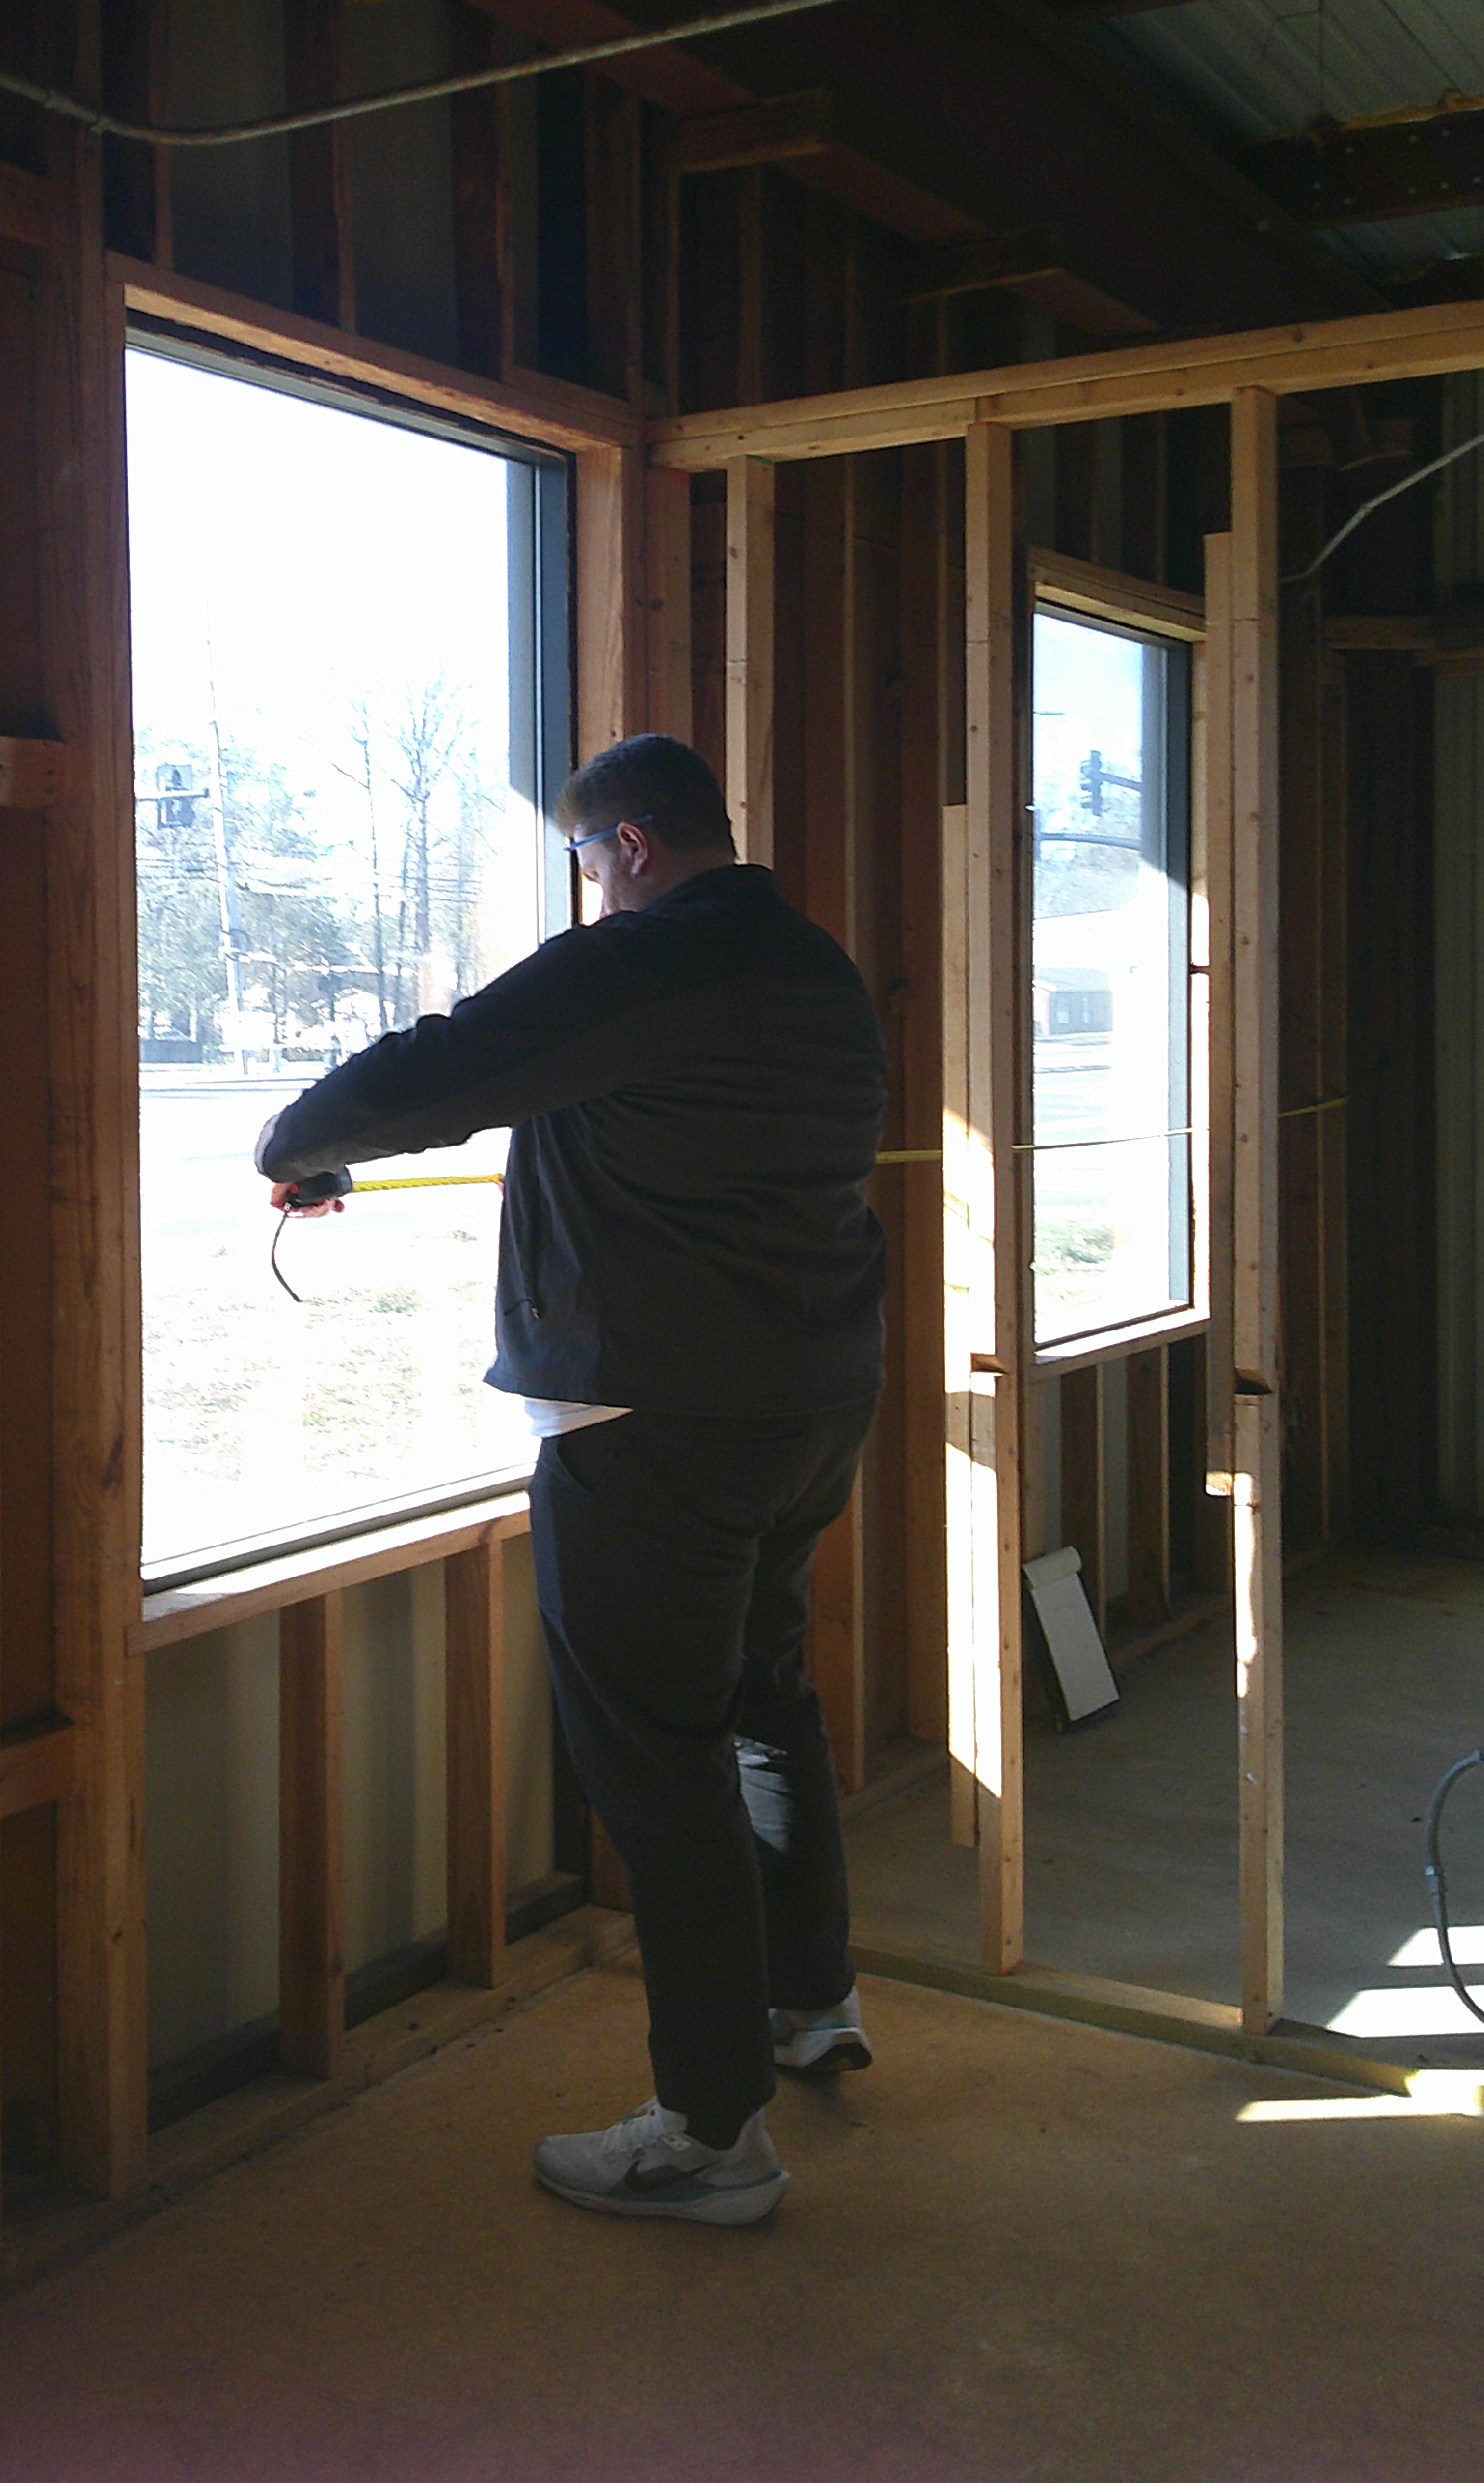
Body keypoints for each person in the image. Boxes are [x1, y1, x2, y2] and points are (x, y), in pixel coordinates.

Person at [254, 731, 886, 2228]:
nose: (590, 887)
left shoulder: (647, 957)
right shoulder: (815, 970)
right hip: (807, 1406)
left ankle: (711, 2136)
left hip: (654, 1421)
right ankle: (811, 2001)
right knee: (763, 1705)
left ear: (633, 846)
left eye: (588, 861)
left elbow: (446, 1065)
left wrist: (297, 1142)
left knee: (657, 1758)